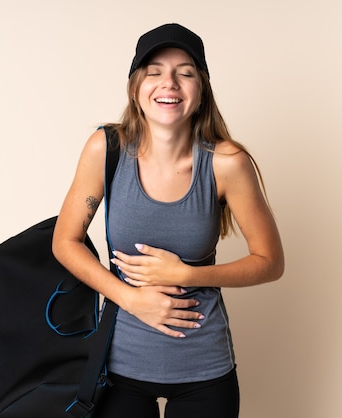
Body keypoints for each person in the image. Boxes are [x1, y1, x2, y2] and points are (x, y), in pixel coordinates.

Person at [52, 23, 284, 418]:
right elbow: (64, 241)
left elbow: (270, 262)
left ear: (201, 89)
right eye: (155, 71)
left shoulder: (227, 164)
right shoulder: (105, 149)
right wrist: (129, 298)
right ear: (136, 87)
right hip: (117, 367)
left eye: (185, 72)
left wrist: (188, 275)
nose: (169, 83)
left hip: (204, 370)